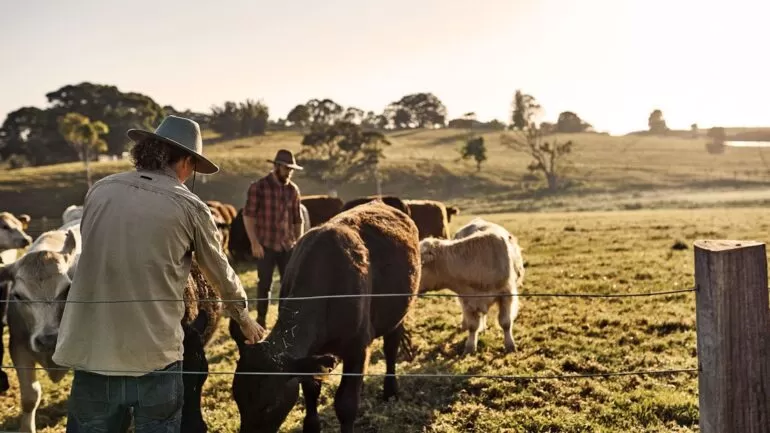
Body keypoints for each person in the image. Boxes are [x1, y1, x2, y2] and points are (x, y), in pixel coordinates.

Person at [53, 115, 266, 433]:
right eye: (192, 166)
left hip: (91, 352)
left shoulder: (99, 191)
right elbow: (219, 271)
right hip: (155, 357)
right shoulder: (189, 206)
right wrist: (244, 318)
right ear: (185, 160)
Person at [242, 149, 303, 327]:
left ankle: (284, 320)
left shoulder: (293, 190)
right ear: (276, 166)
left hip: (287, 246)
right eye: (286, 168)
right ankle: (261, 319)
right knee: (264, 284)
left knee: (288, 285)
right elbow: (249, 216)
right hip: (265, 245)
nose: (289, 172)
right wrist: (254, 242)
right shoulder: (259, 187)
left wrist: (298, 242)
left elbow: (297, 219)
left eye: (291, 169)